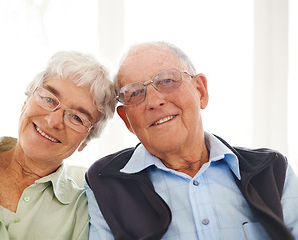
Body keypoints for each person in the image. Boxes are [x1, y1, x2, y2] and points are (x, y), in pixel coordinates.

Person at [84, 41, 298, 240]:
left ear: (201, 91)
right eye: (135, 93)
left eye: (167, 80)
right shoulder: (104, 182)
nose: (154, 101)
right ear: (127, 120)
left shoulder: (272, 170)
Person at [0, 50, 116, 240]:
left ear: (85, 141)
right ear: (26, 101)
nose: (53, 121)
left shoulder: (84, 213)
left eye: (77, 117)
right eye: (49, 99)